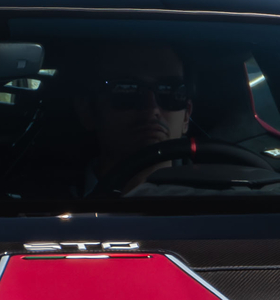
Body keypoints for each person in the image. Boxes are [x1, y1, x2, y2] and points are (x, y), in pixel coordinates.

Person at [59, 39, 193, 192]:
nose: (152, 108)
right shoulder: (42, 202)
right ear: (87, 110)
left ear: (186, 115)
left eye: (169, 91)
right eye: (127, 90)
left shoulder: (219, 197)